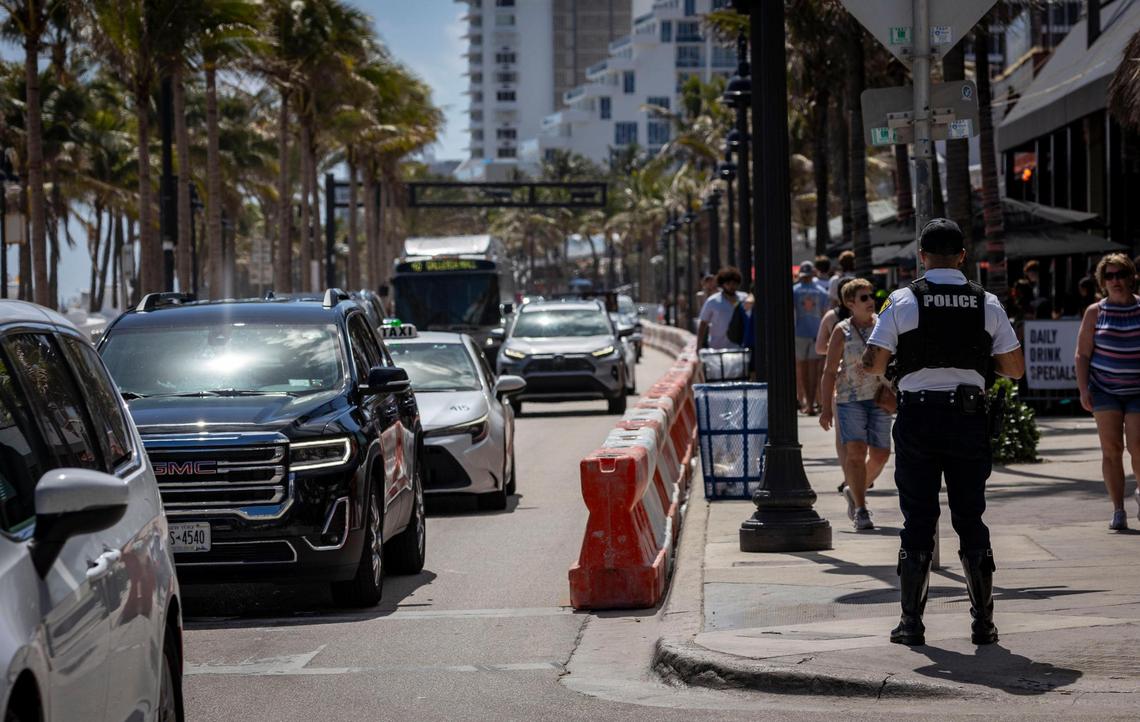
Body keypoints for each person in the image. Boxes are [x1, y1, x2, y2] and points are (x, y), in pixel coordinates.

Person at [863, 218, 1024, 647]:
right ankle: (983, 623)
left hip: (918, 418)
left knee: (918, 517)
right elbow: (1014, 368)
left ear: (921, 255)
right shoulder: (985, 302)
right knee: (970, 517)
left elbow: (874, 362)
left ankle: (911, 623)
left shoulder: (901, 300)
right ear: (962, 257)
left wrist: (900, 371)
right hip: (968, 418)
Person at [819, 278, 892, 531]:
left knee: (881, 454)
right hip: (850, 400)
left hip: (879, 397)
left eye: (871, 296)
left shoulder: (883, 325)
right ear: (850, 303)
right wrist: (826, 408)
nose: (871, 301)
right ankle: (861, 509)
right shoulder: (842, 330)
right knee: (856, 452)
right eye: (864, 298)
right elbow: (829, 371)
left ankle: (853, 489)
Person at [1075, 253, 1140, 531]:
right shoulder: (1095, 312)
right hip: (1104, 389)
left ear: (1131, 277)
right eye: (1110, 276)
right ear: (1103, 281)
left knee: (1138, 447)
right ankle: (1118, 508)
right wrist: (1082, 389)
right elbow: (1082, 355)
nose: (1116, 281)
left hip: (1138, 389)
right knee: (1112, 449)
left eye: (1120, 274)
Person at [816, 276, 859, 488]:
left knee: (843, 435)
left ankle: (851, 477)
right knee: (857, 433)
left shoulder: (830, 317)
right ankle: (855, 477)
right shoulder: (865, 317)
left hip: (841, 378)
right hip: (852, 378)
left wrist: (835, 350)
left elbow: (819, 348)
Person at [793, 261, 829, 414]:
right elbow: (824, 314)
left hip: (800, 333)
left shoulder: (794, 290)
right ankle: (811, 404)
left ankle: (809, 403)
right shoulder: (821, 291)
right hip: (815, 333)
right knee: (814, 370)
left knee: (802, 369)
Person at [697, 266, 746, 350]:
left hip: (741, 349)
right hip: (718, 350)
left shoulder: (744, 298)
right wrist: (699, 345)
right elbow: (703, 323)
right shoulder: (712, 301)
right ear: (722, 284)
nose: (731, 286)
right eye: (728, 284)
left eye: (734, 284)